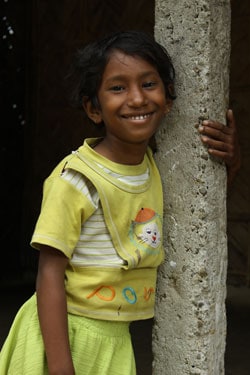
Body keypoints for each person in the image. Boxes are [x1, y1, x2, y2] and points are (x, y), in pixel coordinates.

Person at [0, 30, 241, 375]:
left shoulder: (153, 172)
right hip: (64, 335)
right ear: (93, 108)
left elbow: (197, 218)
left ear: (169, 99)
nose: (137, 98)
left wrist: (231, 163)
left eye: (148, 84)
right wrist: (60, 368)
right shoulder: (76, 179)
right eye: (117, 87)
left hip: (115, 342)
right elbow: (49, 273)